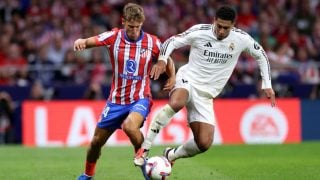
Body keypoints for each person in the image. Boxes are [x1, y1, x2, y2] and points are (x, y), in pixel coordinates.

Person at [134, 5, 276, 168]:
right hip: (188, 79)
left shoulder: (241, 39)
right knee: (177, 103)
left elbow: (261, 55)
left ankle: (171, 154)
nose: (221, 31)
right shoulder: (200, 32)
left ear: (233, 25)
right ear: (214, 21)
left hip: (206, 96)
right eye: (219, 26)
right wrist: (162, 60)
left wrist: (267, 84)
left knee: (204, 143)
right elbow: (171, 41)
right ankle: (144, 148)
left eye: (226, 28)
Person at [74, 3, 175, 180]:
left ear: (142, 24)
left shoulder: (152, 41)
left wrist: (171, 76)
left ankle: (144, 160)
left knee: (130, 126)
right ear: (123, 22)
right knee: (95, 143)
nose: (134, 31)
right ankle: (87, 175)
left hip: (140, 98)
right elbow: (92, 41)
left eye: (138, 27)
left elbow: (167, 59)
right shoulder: (114, 36)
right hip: (115, 101)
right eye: (131, 27)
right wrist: (81, 41)